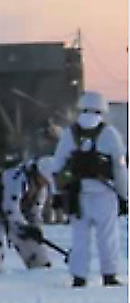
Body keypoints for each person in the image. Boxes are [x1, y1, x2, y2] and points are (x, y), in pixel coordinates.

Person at [50, 91, 129, 287]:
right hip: (104, 193)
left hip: (78, 194)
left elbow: (57, 165)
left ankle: (79, 276)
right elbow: (120, 167)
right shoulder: (110, 134)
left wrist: (57, 193)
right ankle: (109, 275)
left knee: (79, 237)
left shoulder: (70, 133)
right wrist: (124, 195)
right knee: (108, 236)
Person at [0, 156, 55, 273]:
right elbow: (10, 207)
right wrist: (23, 226)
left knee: (27, 237)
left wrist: (35, 229)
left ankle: (39, 267)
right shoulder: (16, 178)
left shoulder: (41, 188)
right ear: (38, 173)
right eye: (44, 180)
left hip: (13, 208)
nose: (45, 183)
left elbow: (35, 211)